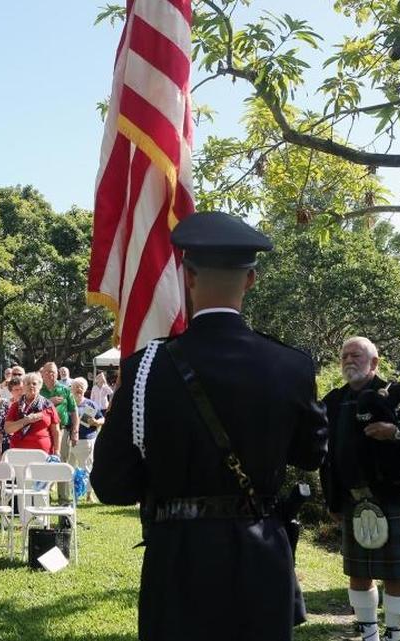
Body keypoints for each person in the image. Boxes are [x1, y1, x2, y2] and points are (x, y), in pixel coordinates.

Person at [91, 211, 329, 641]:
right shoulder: (291, 366)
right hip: (261, 557)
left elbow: (112, 484)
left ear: (187, 277)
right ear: (252, 280)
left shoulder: (147, 367)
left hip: (178, 560)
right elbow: (311, 454)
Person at [320, 337, 400, 641]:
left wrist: (396, 433)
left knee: (396, 575)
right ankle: (370, 635)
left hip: (395, 498)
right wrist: (332, 500)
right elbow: (327, 457)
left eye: (356, 355)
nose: (349, 360)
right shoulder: (333, 401)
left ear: (374, 363)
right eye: (344, 355)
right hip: (353, 500)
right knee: (358, 573)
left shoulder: (399, 394)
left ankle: (395, 635)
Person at [39, 361, 77, 499]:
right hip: (43, 433)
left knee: (62, 464)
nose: (51, 374)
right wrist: (50, 401)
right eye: (48, 372)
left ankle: (64, 500)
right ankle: (43, 499)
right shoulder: (37, 390)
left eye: (53, 372)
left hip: (63, 431)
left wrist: (75, 431)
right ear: (42, 374)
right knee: (43, 464)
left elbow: (74, 412)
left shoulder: (65, 389)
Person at [4, 373, 59, 454]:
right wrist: (26, 420)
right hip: (18, 452)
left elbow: (56, 431)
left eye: (34, 383)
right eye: (28, 383)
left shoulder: (48, 406)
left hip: (43, 453)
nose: (31, 386)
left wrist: (57, 451)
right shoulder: (16, 406)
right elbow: (8, 429)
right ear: (24, 387)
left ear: (40, 386)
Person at [69, 377, 103, 500]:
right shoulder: (67, 403)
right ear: (71, 389)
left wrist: (96, 422)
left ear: (85, 389)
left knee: (87, 467)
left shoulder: (91, 404)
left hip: (86, 439)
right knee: (68, 467)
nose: (78, 389)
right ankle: (69, 493)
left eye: (81, 387)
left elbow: (102, 418)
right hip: (68, 440)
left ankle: (89, 493)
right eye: (76, 386)